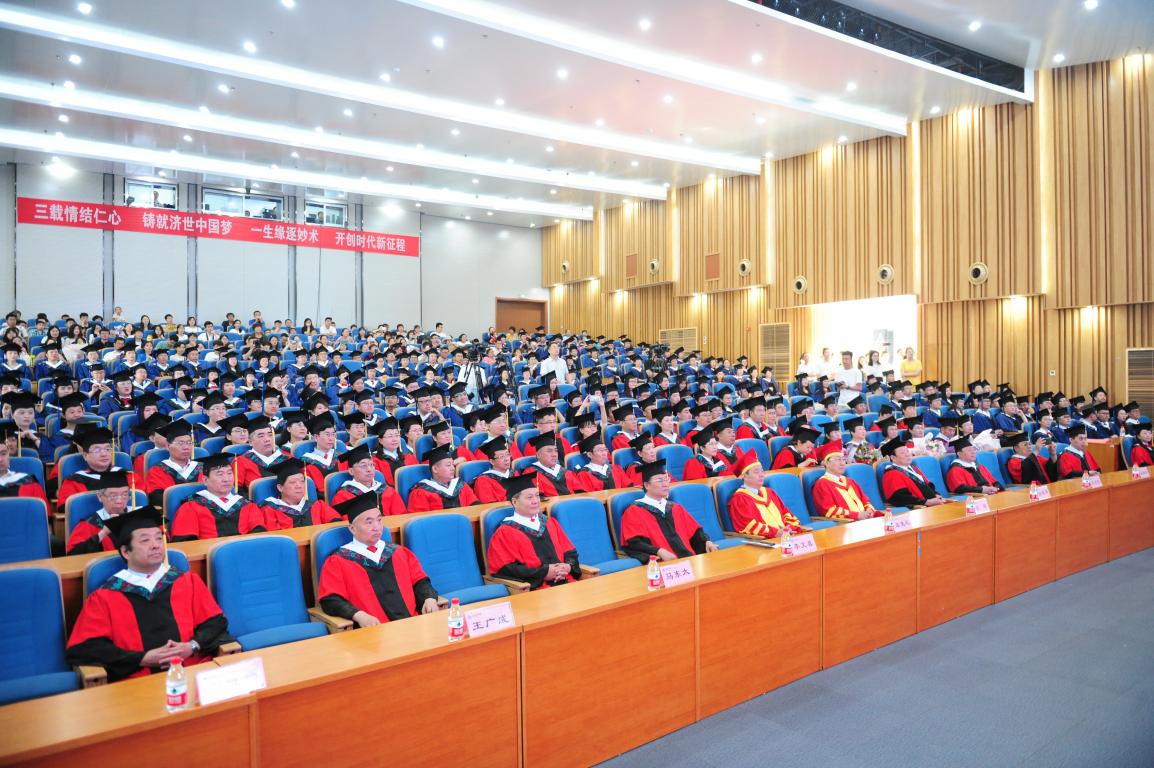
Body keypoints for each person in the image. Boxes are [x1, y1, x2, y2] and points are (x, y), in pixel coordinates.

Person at [65, 506, 232, 682]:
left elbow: (215, 623)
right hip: (135, 683)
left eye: (159, 538)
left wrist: (192, 646)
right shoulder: (105, 596)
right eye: (145, 540)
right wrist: (141, 658)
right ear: (125, 552)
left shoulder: (187, 581)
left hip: (193, 673)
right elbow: (86, 649)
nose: (155, 545)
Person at [317, 493, 440, 628]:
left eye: (379, 520)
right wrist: (358, 615)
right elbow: (331, 600)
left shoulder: (399, 552)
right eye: (369, 522)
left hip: (411, 625)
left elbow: (420, 581)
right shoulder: (338, 561)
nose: (376, 527)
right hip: (372, 632)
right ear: (352, 529)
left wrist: (429, 598)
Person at [486, 473, 582, 590]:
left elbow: (570, 552)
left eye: (537, 496)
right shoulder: (505, 532)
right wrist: (544, 573)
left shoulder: (550, 522)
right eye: (529, 497)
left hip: (567, 582)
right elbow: (505, 569)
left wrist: (568, 566)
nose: (536, 501)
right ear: (514, 502)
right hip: (535, 590)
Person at [619, 459, 718, 562]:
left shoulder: (675, 508)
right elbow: (634, 543)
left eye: (666, 479)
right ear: (647, 485)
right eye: (659, 480)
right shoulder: (634, 511)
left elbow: (695, 533)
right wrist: (658, 551)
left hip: (689, 562)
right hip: (661, 564)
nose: (665, 484)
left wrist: (706, 542)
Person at [170, 453, 266, 540]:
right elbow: (186, 543)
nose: (226, 479)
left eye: (229, 473)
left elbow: (259, 538)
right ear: (205, 480)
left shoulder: (247, 505)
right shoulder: (191, 507)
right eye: (220, 474)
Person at [726, 453, 805, 538]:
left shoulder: (769, 492)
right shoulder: (740, 499)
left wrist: (790, 528)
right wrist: (776, 532)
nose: (761, 475)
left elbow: (786, 513)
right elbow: (749, 526)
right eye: (756, 472)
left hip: (785, 536)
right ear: (744, 476)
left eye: (762, 471)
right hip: (764, 541)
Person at [56, 426, 128, 512]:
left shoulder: (128, 476)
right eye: (97, 450)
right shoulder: (74, 482)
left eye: (107, 449)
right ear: (85, 456)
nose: (104, 454)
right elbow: (66, 508)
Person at [259, 458, 343, 529]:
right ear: (280, 488)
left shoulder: (317, 506)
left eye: (302, 481)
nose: (299, 486)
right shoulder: (270, 510)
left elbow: (336, 526)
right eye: (292, 482)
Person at [65, 471, 133, 554]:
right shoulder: (90, 523)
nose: (119, 501)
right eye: (113, 495)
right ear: (100, 497)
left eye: (124, 495)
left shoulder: (139, 516)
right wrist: (103, 532)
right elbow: (73, 554)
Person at [330, 444, 407, 516]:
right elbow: (344, 523)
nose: (369, 469)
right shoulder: (343, 496)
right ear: (351, 471)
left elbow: (401, 518)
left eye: (371, 464)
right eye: (363, 466)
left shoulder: (388, 491)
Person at [143, 420, 203, 508]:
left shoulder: (202, 468)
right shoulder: (157, 471)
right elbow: (156, 498)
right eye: (180, 443)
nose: (186, 447)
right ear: (168, 446)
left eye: (189, 443)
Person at [811, 452, 883, 521]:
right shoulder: (822, 484)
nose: (842, 463)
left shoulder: (850, 481)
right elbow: (829, 510)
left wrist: (869, 510)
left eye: (843, 459)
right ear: (827, 463)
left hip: (864, 520)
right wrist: (857, 515)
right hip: (844, 524)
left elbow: (865, 501)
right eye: (838, 459)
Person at [406, 445, 480, 512]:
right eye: (448, 465)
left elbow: (475, 506)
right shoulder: (421, 492)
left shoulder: (461, 486)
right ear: (435, 469)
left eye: (453, 465)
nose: (453, 468)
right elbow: (419, 520)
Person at [879, 439, 946, 508]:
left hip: (932, 504)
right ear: (893, 458)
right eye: (902, 453)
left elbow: (927, 486)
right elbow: (899, 498)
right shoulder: (891, 474)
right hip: (918, 509)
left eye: (907, 451)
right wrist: (927, 502)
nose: (907, 454)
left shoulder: (914, 468)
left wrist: (935, 494)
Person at [232, 415, 290, 491]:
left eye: (270, 435)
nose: (267, 439)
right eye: (261, 436)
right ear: (250, 441)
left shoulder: (287, 457)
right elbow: (236, 491)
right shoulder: (240, 462)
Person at [523, 432, 577, 498]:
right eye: (549, 451)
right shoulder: (531, 473)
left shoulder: (565, 471)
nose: (554, 454)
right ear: (538, 455)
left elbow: (582, 493)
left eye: (556, 451)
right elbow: (538, 499)